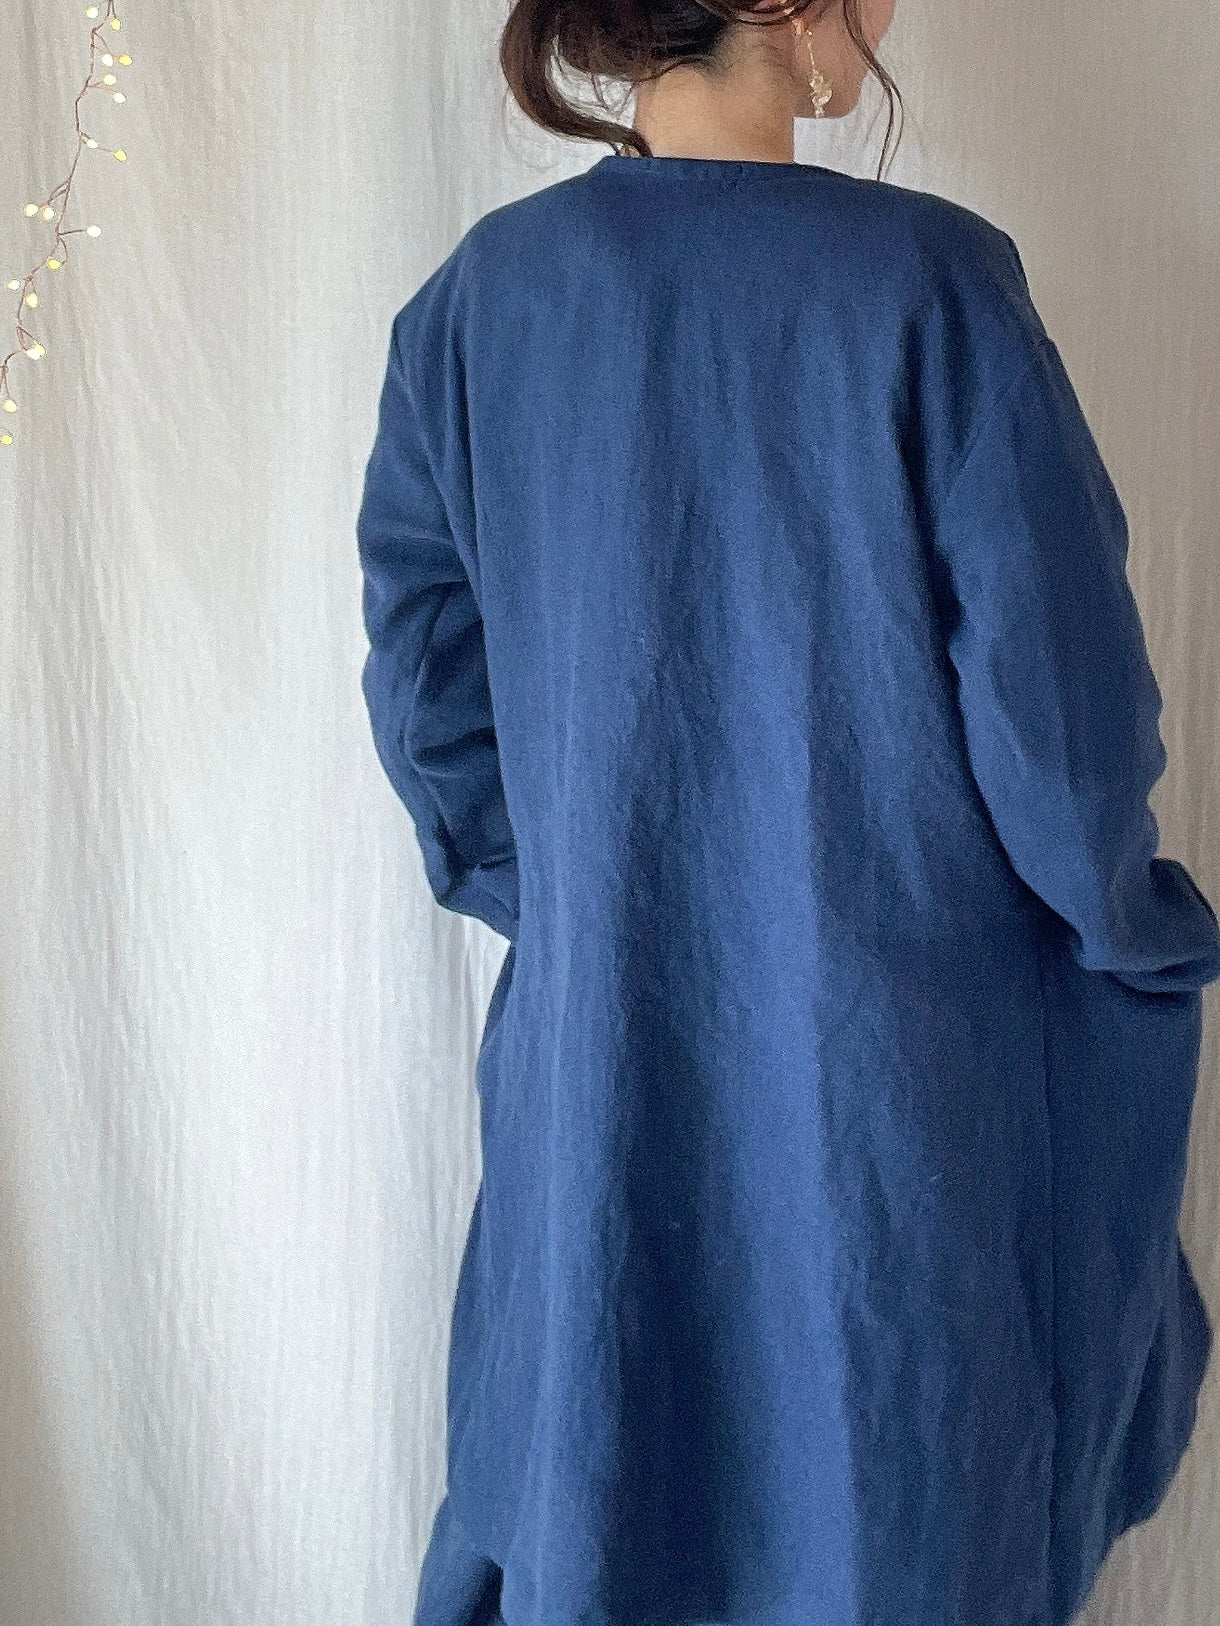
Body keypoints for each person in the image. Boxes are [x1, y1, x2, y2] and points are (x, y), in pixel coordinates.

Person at [354, 4, 1220, 1625]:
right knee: (883, 1505)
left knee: (601, 1476)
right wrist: (1133, 937)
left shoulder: (473, 310)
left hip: (601, 1082)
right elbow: (1063, 735)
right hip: (895, 1107)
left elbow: (431, 713)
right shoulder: (932, 288)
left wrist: (616, 905)